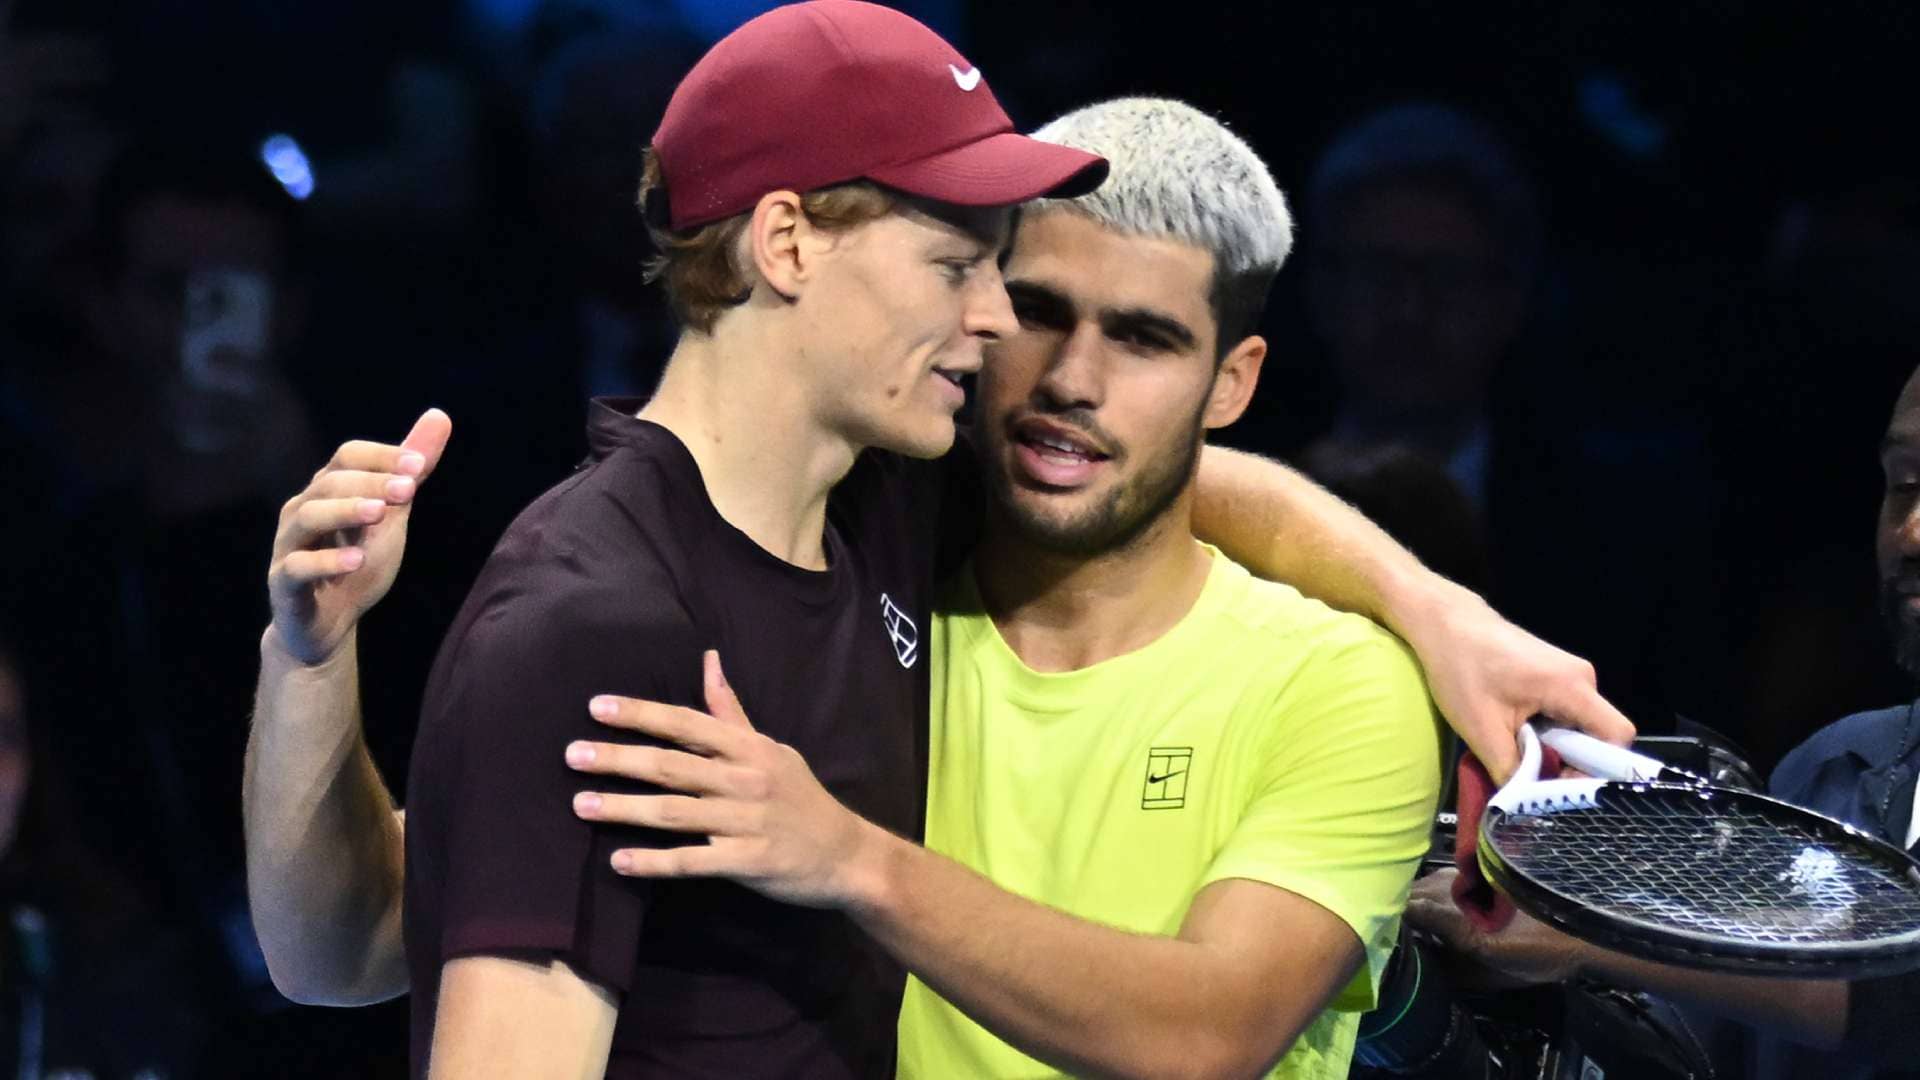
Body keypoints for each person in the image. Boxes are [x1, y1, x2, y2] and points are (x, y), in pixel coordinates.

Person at [245, 5, 1631, 1075]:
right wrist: (306, 656)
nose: (996, 329)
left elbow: (1164, 476)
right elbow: (357, 950)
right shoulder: (600, 617)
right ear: (789, 243)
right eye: (959, 266)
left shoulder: (888, 515)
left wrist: (1437, 609)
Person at [565, 95, 1444, 1079]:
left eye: (1144, 339)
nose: (1073, 378)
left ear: (1232, 383)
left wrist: (850, 859)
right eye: (1039, 312)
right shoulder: (859, 602)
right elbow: (428, 897)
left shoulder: (1341, 686)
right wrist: (345, 669)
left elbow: (1208, 1037)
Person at [1406, 363, 1920, 1079]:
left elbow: (1893, 999)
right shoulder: (1833, 773)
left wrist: (1584, 930)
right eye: (1905, 485)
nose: (1913, 533)